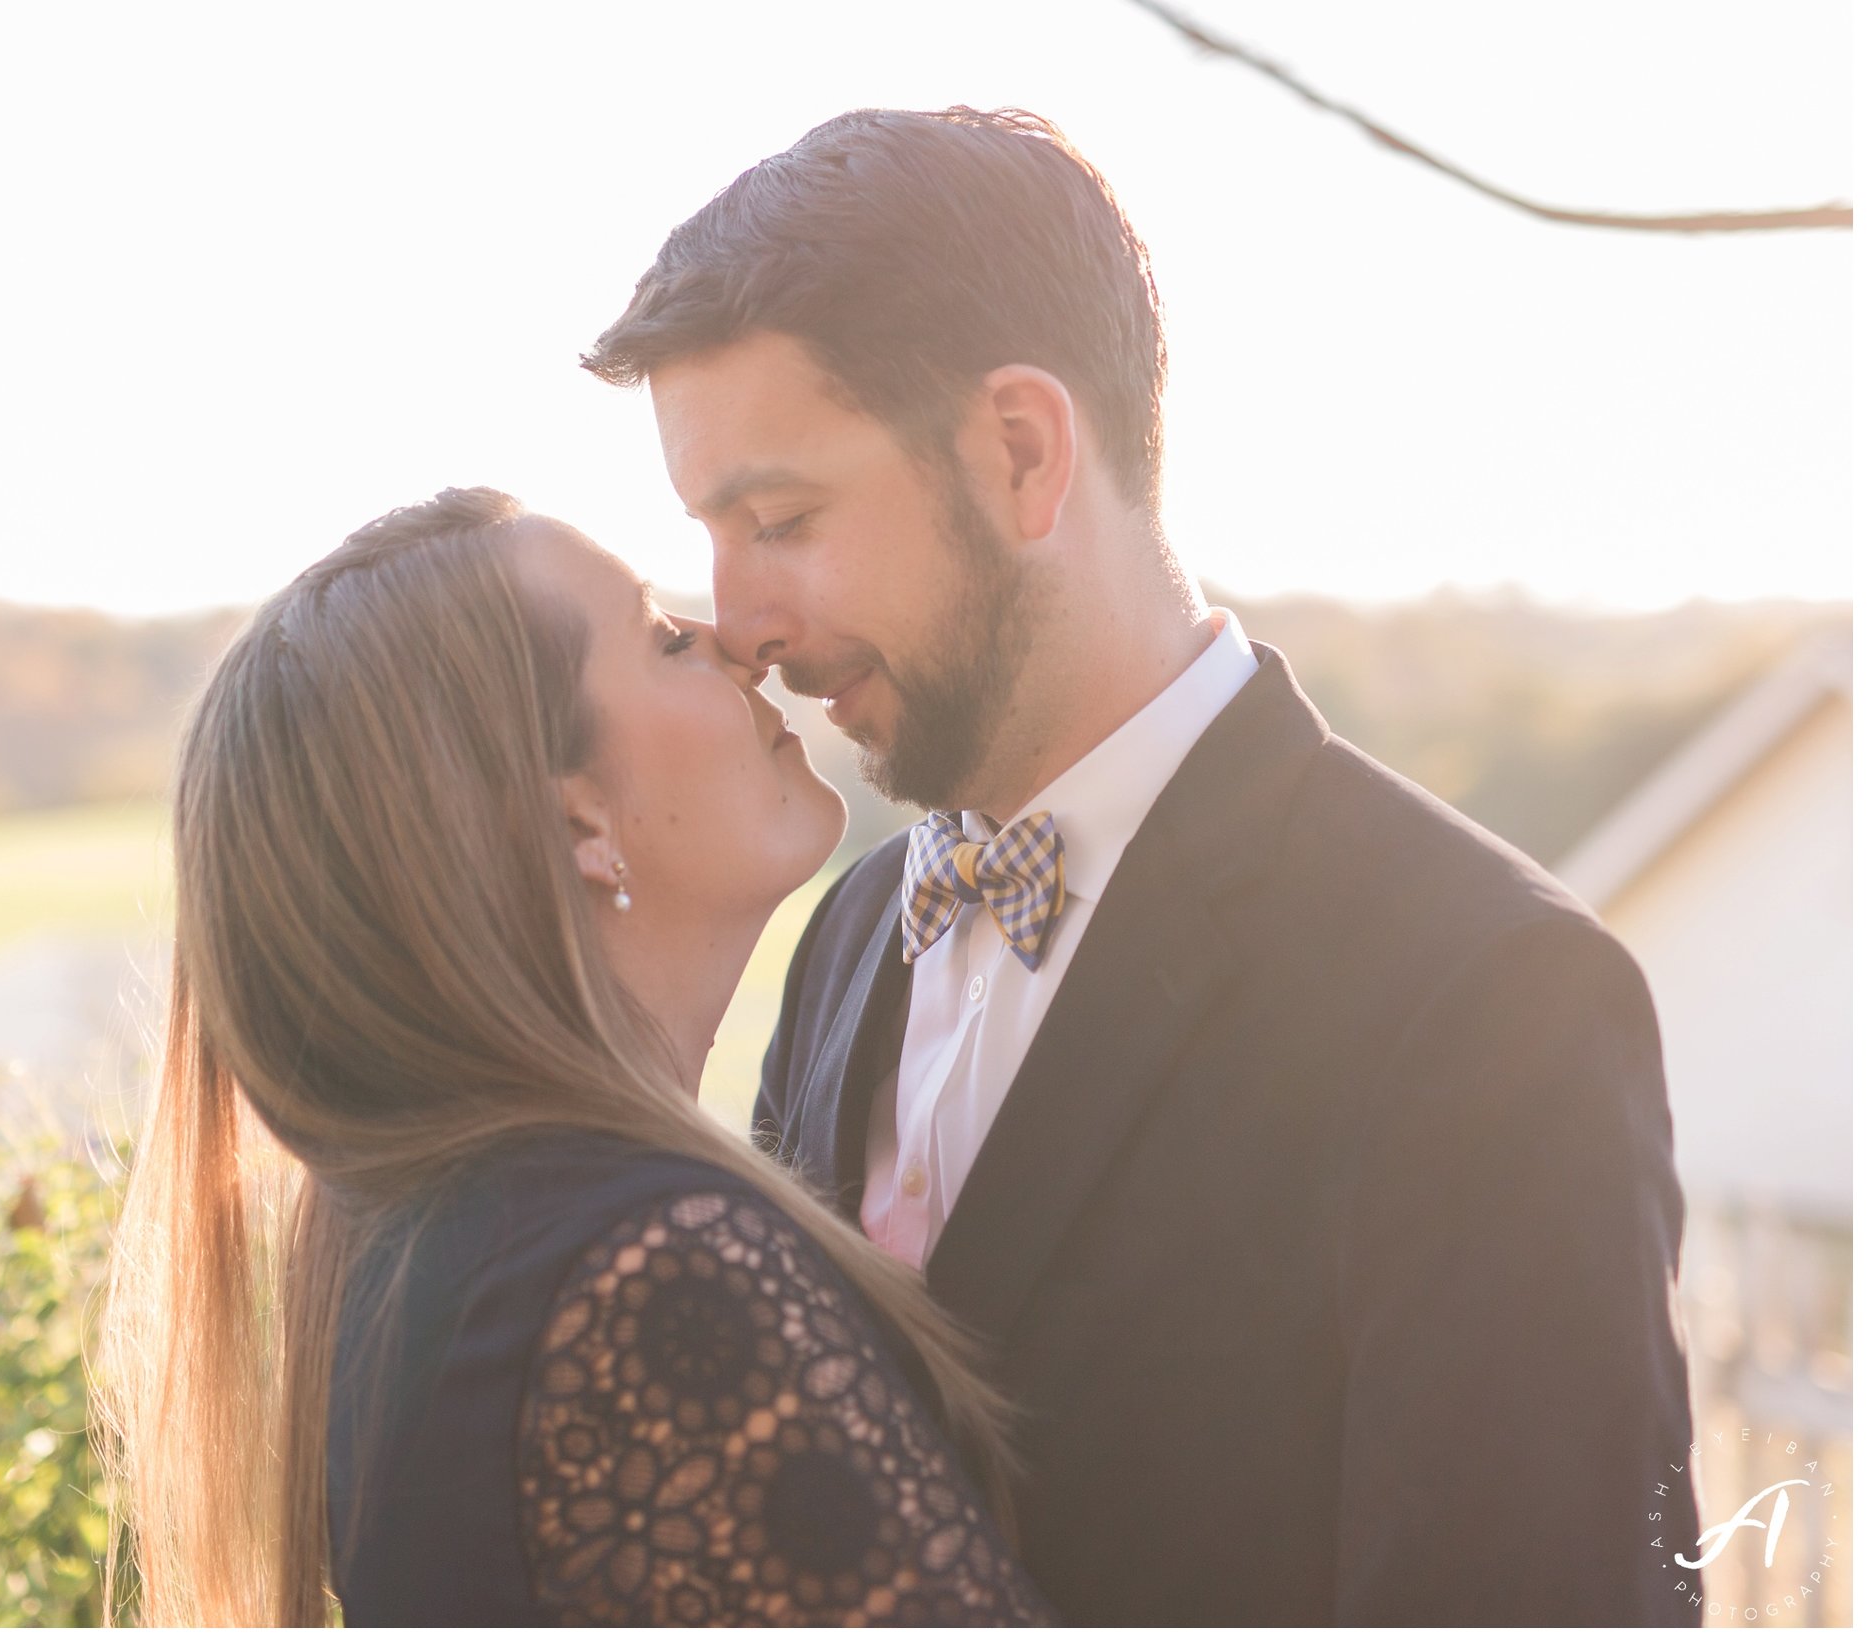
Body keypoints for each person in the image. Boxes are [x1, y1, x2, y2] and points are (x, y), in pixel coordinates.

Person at [582, 107, 1702, 1626]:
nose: (742, 622)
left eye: (779, 518)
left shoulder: (1488, 994)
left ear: (1023, 451)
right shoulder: (848, 932)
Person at [87, 488, 1052, 1626]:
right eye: (657, 637)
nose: (734, 644)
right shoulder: (652, 1274)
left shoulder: (428, 1248)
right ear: (579, 828)